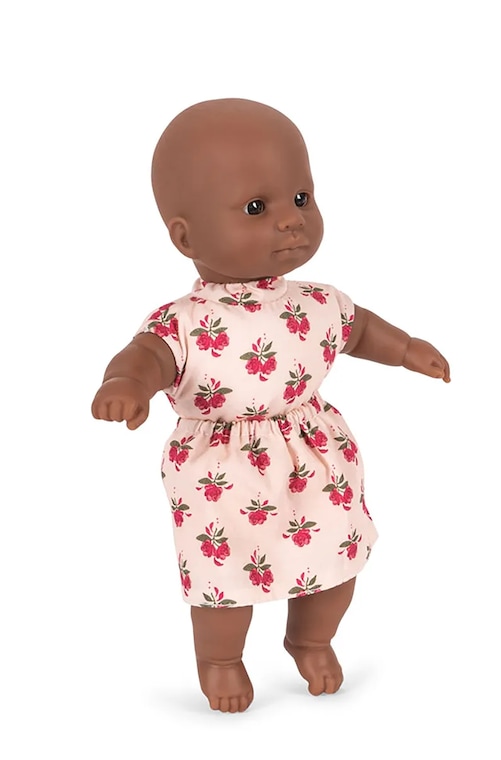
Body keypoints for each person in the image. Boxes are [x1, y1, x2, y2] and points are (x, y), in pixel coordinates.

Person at [91, 98, 450, 713]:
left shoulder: (316, 301)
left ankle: (311, 638)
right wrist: (126, 383)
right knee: (224, 580)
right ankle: (220, 658)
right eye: (257, 207)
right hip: (221, 474)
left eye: (301, 198)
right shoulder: (185, 320)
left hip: (315, 458)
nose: (291, 221)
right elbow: (146, 355)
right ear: (185, 236)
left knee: (336, 560)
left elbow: (360, 329)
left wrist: (407, 348)